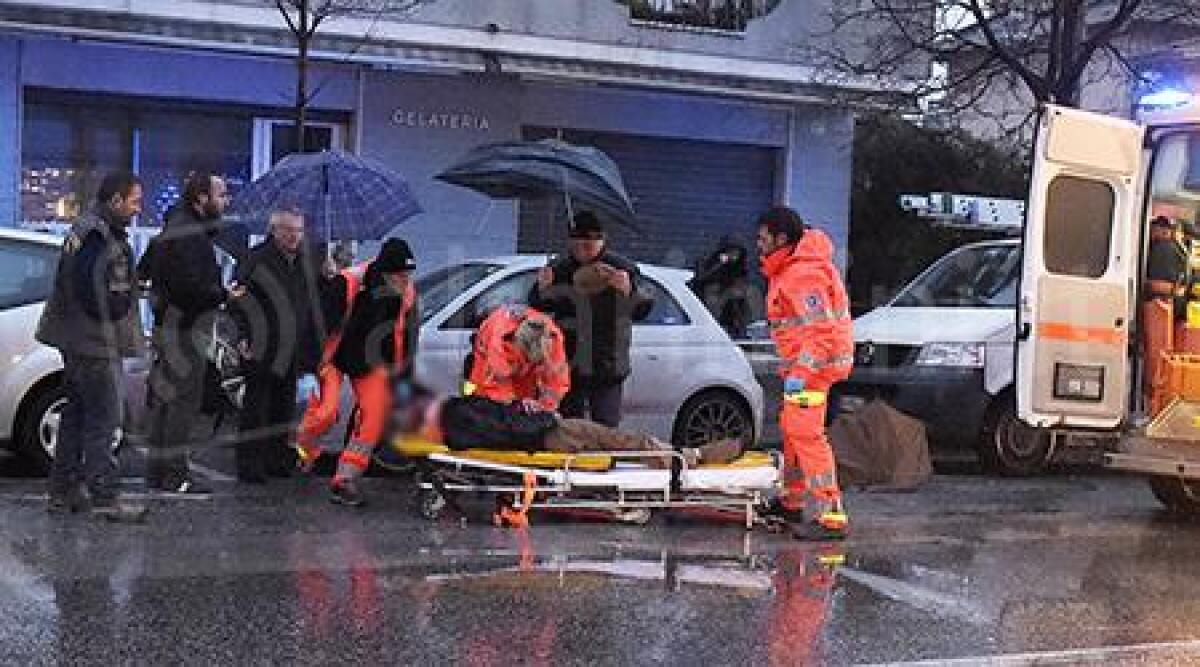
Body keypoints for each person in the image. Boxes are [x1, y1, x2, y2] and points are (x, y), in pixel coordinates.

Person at [36, 171, 147, 521]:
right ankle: (105, 496)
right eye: (134, 201)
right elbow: (96, 291)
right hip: (95, 342)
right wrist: (123, 299)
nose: (137, 209)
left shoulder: (85, 230)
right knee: (105, 419)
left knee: (76, 416)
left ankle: (64, 491)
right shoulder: (102, 238)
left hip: (75, 339)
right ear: (116, 200)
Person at [297, 238, 420, 507]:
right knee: (326, 412)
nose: (405, 282)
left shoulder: (407, 293)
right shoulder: (348, 283)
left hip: (370, 363)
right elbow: (318, 327)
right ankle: (303, 451)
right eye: (399, 276)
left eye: (408, 275)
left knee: (375, 416)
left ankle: (345, 479)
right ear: (384, 272)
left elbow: (405, 339)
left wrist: (402, 379)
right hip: (334, 357)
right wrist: (307, 367)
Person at [755, 206, 854, 540]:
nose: (758, 244)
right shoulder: (794, 269)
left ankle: (831, 514)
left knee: (807, 435)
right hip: (807, 369)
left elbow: (821, 334)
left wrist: (801, 372)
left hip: (813, 370)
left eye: (763, 237)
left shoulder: (801, 274)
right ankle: (792, 500)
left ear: (781, 239)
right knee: (793, 431)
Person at [144, 171, 239, 495]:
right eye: (221, 194)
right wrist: (224, 295)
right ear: (201, 198)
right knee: (182, 402)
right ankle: (175, 475)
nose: (225, 201)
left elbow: (147, 269)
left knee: (165, 400)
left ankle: (157, 472)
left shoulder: (175, 229)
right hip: (185, 328)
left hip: (169, 325)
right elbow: (192, 287)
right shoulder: (189, 234)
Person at [229, 206, 328, 483]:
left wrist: (328, 275)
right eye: (289, 231)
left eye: (299, 231)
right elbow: (240, 301)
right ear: (275, 231)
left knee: (283, 408)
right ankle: (250, 465)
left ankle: (275, 459)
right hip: (262, 342)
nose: (295, 237)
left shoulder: (305, 261)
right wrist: (243, 335)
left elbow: (314, 301)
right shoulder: (257, 259)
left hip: (291, 345)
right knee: (257, 407)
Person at [528, 211, 652, 427]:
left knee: (605, 427)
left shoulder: (622, 268)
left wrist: (629, 291)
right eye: (576, 246)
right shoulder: (560, 268)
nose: (582, 252)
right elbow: (540, 306)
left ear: (602, 241)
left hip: (607, 363)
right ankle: (572, 463)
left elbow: (643, 309)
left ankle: (605, 461)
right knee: (569, 427)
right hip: (568, 361)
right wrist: (541, 289)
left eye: (588, 246)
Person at [400, 392, 743, 468]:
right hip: (547, 436)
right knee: (618, 442)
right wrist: (537, 418)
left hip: (545, 431)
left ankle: (680, 457)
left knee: (615, 445)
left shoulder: (458, 414)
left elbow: (501, 419)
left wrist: (522, 408)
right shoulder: (458, 418)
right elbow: (503, 431)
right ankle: (687, 458)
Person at [467, 305, 569, 412]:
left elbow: (557, 383)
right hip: (486, 360)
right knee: (486, 405)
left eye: (539, 362)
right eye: (529, 360)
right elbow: (497, 388)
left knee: (526, 399)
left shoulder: (554, 339)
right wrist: (516, 405)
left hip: (517, 358)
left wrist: (543, 407)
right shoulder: (498, 344)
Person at [689, 235, 752, 339]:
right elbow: (701, 278)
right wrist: (719, 263)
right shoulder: (709, 266)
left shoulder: (739, 301)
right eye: (731, 251)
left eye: (737, 252)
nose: (734, 255)